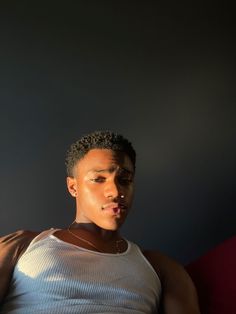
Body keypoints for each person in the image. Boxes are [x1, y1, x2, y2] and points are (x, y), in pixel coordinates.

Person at [0, 130, 200, 314]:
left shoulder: (161, 268)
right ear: (73, 187)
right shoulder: (22, 246)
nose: (115, 192)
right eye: (98, 179)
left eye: (125, 180)